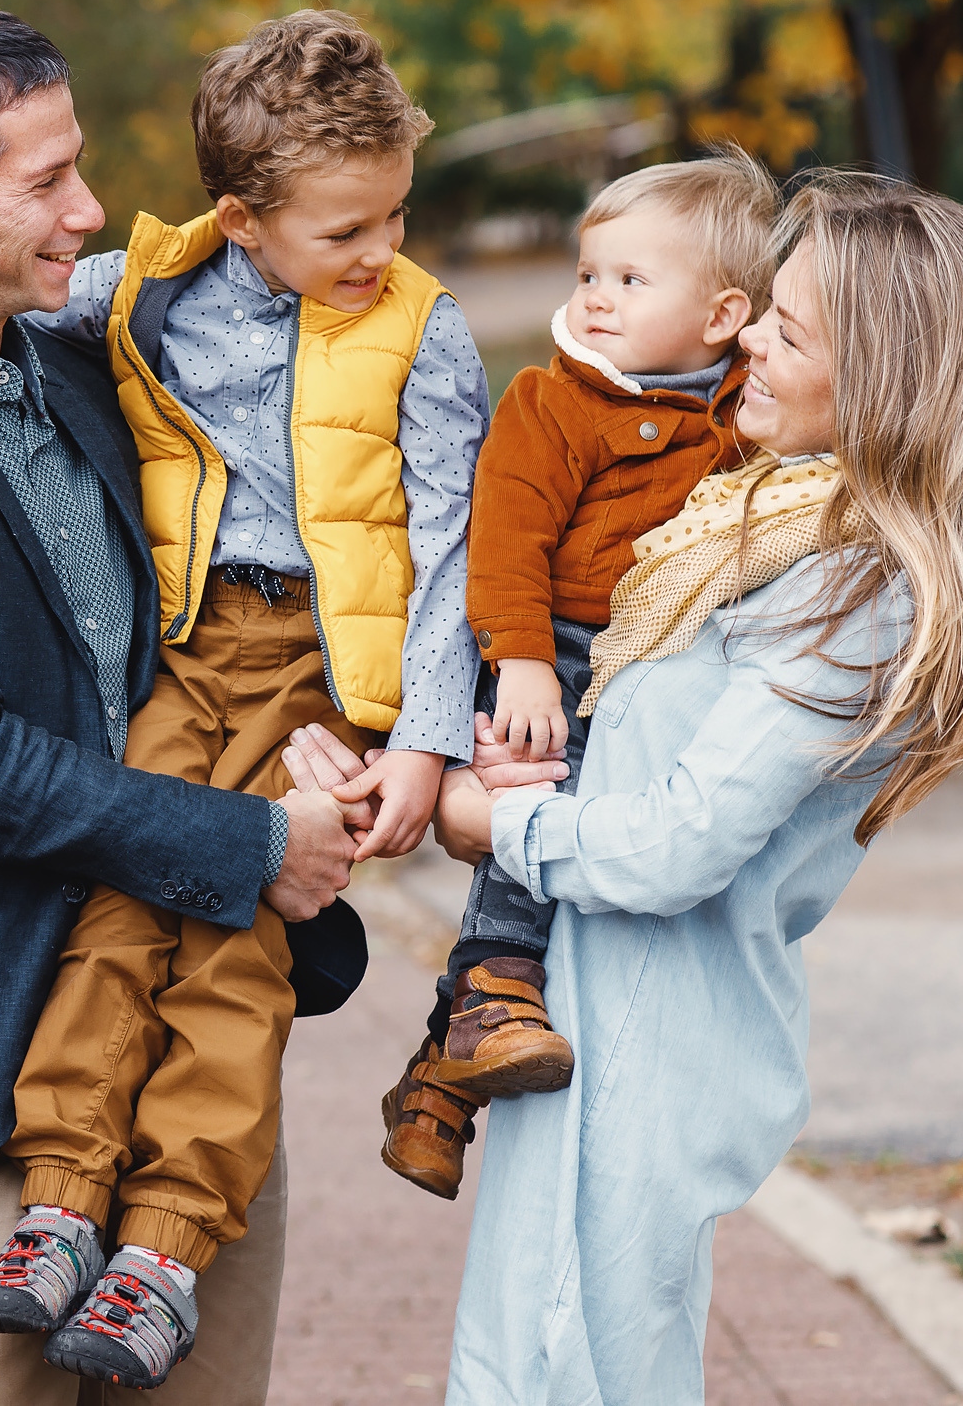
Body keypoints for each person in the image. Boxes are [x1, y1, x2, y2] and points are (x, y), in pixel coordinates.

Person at [0, 9, 485, 1388]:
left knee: (233, 968)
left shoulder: (103, 339)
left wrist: (420, 734)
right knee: (136, 914)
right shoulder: (92, 319)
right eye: (48, 180)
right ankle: (65, 1201)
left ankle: (164, 1231)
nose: (91, 209)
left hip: (300, 720)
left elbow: (449, 532)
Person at [288, 172, 963, 1402]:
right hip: (581, 1008)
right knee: (524, 1366)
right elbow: (604, 746)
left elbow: (675, 845)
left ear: (882, 382)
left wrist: (483, 820)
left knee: (566, 1371)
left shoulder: (851, 585)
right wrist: (422, 771)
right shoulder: (737, 518)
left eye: (786, 330)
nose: (748, 340)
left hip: (647, 1043)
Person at [379, 148, 780, 1200]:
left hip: (656, 657)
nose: (595, 297)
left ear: (723, 315)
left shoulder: (746, 416)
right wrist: (518, 665)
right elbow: (503, 542)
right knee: (536, 804)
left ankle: (437, 1084)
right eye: (588, 273)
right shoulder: (551, 402)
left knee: (592, 846)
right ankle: (495, 992)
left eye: (630, 280)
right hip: (551, 650)